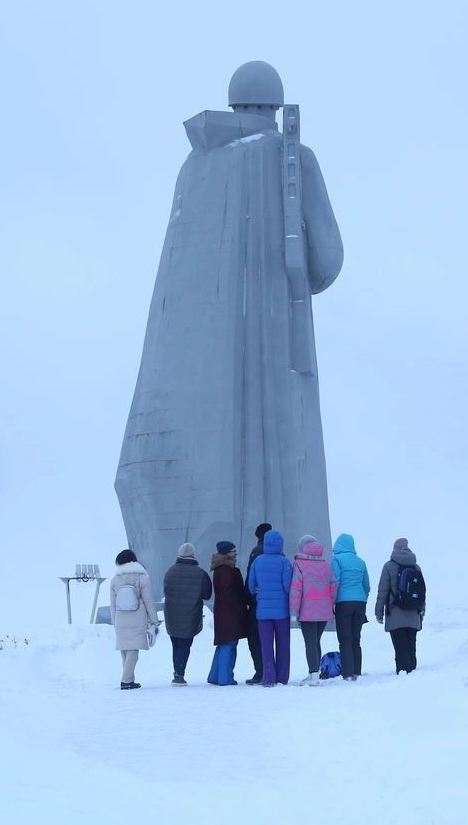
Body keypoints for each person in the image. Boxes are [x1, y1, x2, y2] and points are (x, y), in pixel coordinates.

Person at [114, 61, 342, 590]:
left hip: (192, 374)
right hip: (276, 351)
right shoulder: (293, 157)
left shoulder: (194, 165)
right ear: (274, 104)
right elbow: (326, 262)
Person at [109, 549, 160, 690]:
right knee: (133, 652)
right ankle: (126, 681)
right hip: (137, 617)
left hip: (120, 617)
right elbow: (148, 601)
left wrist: (115, 621)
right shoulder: (142, 577)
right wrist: (154, 620)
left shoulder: (115, 580)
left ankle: (129, 680)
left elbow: (112, 604)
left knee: (125, 650)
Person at [162, 542, 212, 685]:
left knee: (175, 644)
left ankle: (177, 672)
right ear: (193, 555)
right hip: (190, 614)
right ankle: (179, 674)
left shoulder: (170, 571)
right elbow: (207, 594)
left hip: (172, 614)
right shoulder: (200, 573)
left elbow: (166, 590)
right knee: (185, 645)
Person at [290, 534, 337, 685]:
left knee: (310, 643)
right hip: (324, 611)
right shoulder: (325, 564)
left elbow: (296, 589)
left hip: (307, 611)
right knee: (316, 641)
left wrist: (293, 612)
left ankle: (313, 675)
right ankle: (314, 673)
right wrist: (331, 604)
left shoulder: (299, 564)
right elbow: (334, 586)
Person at [247, 528, 292, 686]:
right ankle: (282, 677)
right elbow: (288, 587)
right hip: (282, 612)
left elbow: (251, 587)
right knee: (283, 645)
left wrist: (260, 593)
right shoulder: (284, 562)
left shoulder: (257, 561)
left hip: (263, 612)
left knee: (266, 646)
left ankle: (268, 678)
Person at [375, 538, 425, 675]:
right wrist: (421, 612)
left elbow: (382, 591)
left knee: (400, 646)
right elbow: (422, 591)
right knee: (411, 645)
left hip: (395, 613)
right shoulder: (416, 567)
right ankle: (412, 673)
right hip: (413, 613)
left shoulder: (389, 566)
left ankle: (402, 673)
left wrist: (379, 613)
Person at [331, 533, 370, 681]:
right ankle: (356, 671)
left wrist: (332, 602)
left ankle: (347, 673)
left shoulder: (336, 560)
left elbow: (335, 583)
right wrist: (362, 599)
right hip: (360, 603)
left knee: (345, 638)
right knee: (356, 638)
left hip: (343, 603)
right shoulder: (361, 562)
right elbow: (366, 586)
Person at [207, 541, 246, 686]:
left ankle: (215, 675)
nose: (235, 553)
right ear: (226, 553)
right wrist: (241, 606)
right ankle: (225, 677)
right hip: (230, 613)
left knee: (223, 643)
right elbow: (230, 593)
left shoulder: (220, 569)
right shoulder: (226, 570)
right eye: (233, 551)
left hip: (223, 611)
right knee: (229, 643)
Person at [243, 522, 271, 684]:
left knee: (254, 638)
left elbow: (250, 578)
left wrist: (248, 598)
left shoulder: (256, 552)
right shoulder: (279, 552)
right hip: (276, 605)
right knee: (269, 638)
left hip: (258, 603)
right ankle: (270, 670)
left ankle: (260, 672)